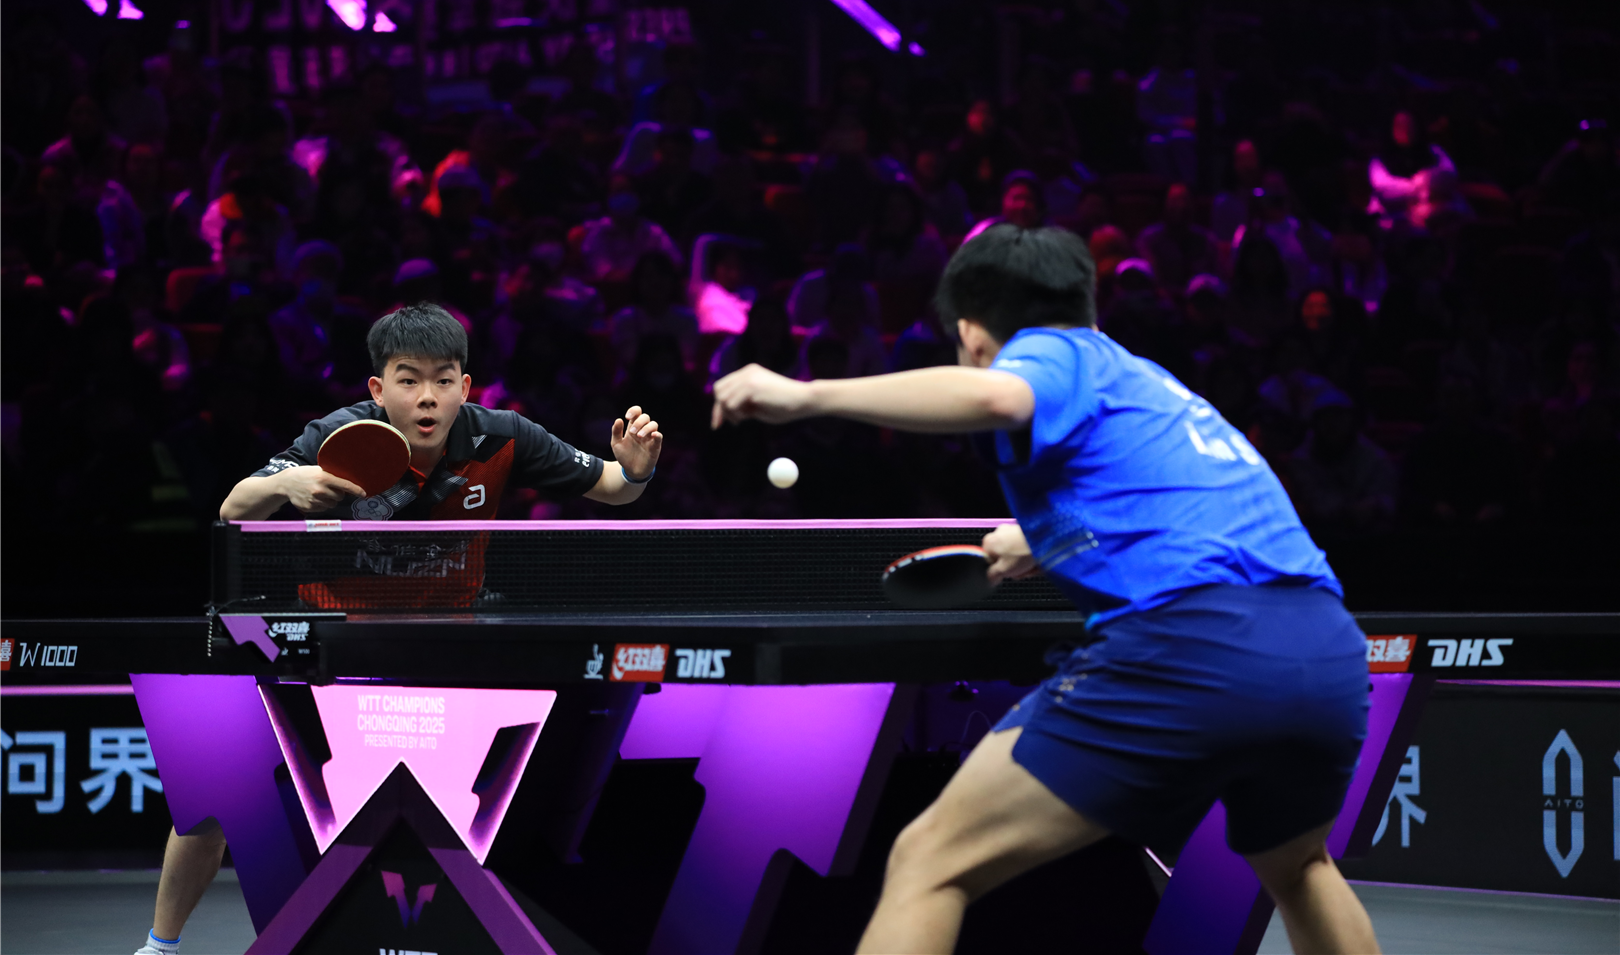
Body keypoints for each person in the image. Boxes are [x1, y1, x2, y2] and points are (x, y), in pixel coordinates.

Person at [711, 226, 1378, 954]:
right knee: (1300, 867)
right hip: (1325, 652)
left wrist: (806, 396)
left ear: (971, 333)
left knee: (929, 862)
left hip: (1193, 645)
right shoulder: (1149, 386)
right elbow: (1165, 507)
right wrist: (1044, 538)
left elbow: (1001, 399)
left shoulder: (1050, 353)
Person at [136, 303, 664, 955]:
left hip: (449, 653)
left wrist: (636, 467)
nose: (427, 396)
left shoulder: (502, 437)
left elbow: (613, 487)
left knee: (480, 813)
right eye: (408, 379)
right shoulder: (337, 437)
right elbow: (233, 506)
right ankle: (160, 947)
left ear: (464, 387)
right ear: (378, 388)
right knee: (219, 792)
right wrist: (293, 483)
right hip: (329, 651)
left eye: (443, 380)